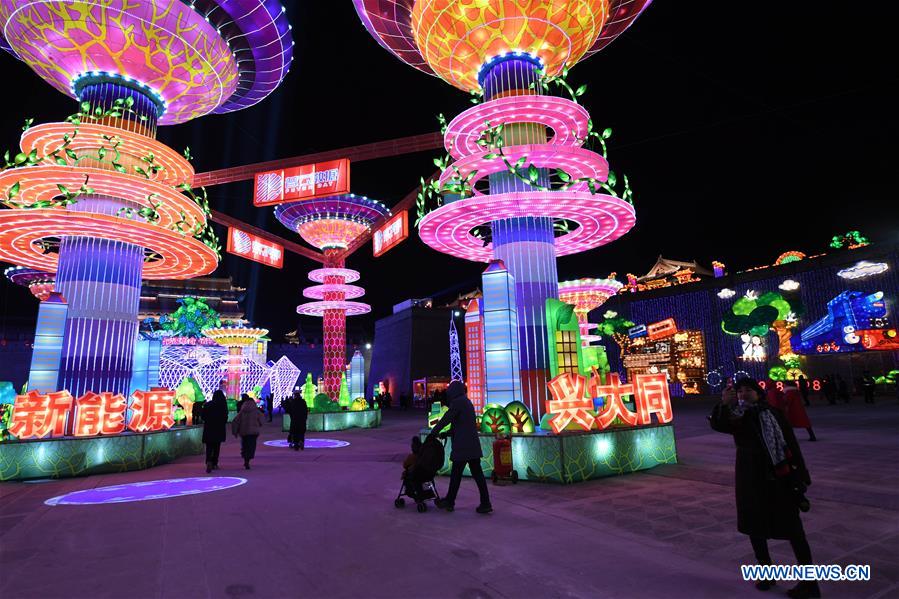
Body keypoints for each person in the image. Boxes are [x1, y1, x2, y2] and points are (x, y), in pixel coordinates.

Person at [710, 378, 818, 598]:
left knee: (794, 530)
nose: (743, 394)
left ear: (758, 392)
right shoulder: (738, 415)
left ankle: (809, 582)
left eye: (748, 390)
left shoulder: (772, 414)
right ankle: (766, 572)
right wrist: (723, 404)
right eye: (739, 391)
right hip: (750, 477)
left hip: (779, 476)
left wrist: (801, 475)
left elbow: (790, 443)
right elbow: (719, 424)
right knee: (754, 527)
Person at [427, 380, 492, 514]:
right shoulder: (467, 402)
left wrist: (434, 433)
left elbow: (446, 419)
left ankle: (450, 501)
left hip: (463, 447)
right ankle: (485, 503)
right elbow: (462, 424)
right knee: (478, 476)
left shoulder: (458, 403)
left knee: (456, 475)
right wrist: (448, 433)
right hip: (472, 446)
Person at [232, 393, 264, 469]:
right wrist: (259, 424)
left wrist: (235, 431)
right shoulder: (256, 411)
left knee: (245, 445)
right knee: (251, 446)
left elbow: (235, 421)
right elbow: (262, 420)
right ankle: (248, 459)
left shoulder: (242, 412)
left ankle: (245, 458)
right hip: (253, 432)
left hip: (244, 432)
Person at [202, 390, 228, 473]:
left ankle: (208, 461)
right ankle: (215, 463)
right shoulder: (223, 406)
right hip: (218, 428)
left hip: (209, 428)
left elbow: (203, 416)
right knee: (217, 447)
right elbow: (225, 418)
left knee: (209, 447)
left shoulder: (207, 405)